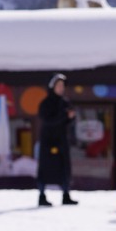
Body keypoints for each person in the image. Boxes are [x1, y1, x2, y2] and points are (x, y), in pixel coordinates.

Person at [36, 74, 77, 207]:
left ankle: (66, 195)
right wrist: (64, 115)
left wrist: (70, 117)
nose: (61, 88)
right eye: (58, 85)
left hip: (62, 140)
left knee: (64, 168)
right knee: (45, 169)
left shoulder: (65, 102)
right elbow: (48, 120)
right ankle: (42, 196)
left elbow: (67, 122)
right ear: (52, 86)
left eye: (62, 86)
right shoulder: (46, 103)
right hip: (48, 140)